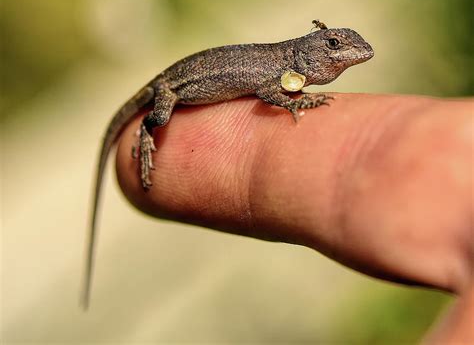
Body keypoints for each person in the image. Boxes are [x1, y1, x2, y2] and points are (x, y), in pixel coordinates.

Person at [116, 93, 473, 343]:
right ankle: (146, 136)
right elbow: (270, 91)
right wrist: (297, 103)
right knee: (161, 117)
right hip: (171, 87)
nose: (345, 55)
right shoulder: (281, 68)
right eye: (333, 47)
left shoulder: (287, 65)